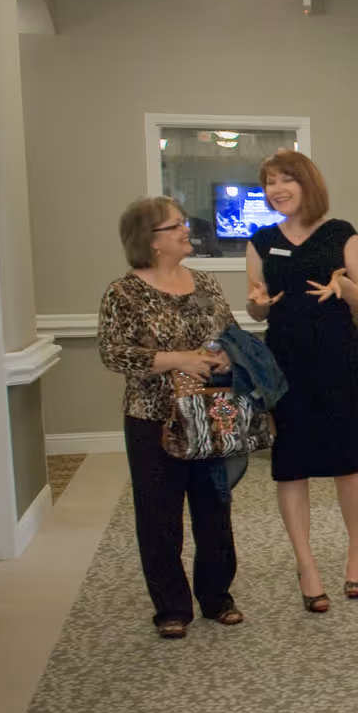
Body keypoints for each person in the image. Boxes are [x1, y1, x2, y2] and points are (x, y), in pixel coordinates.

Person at [98, 196, 241, 639]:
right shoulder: (123, 293)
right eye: (175, 225)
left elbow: (228, 333)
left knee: (215, 509)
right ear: (152, 241)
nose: (186, 230)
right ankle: (171, 608)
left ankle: (218, 598)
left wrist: (221, 356)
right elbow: (113, 352)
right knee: (159, 516)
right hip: (152, 419)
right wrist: (177, 358)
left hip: (208, 413)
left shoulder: (206, 283)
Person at [245, 150, 358, 613]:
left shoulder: (341, 234)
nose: (275, 190)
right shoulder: (260, 241)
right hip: (285, 366)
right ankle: (306, 565)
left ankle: (356, 549)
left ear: (307, 183)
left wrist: (345, 289)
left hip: (335, 360)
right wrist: (258, 305)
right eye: (269, 183)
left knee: (346, 462)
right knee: (291, 463)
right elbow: (255, 304)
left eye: (285, 180)